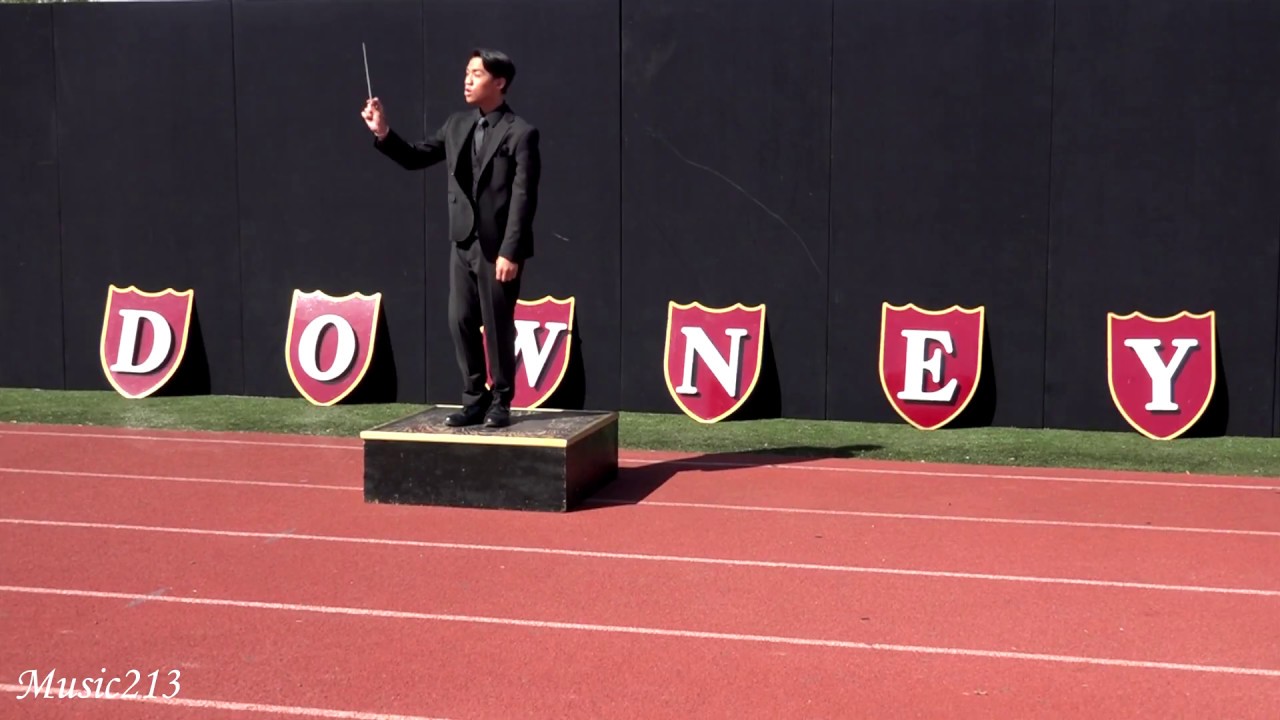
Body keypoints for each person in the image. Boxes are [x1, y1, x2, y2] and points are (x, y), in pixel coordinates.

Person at [361, 48, 540, 429]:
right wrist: (383, 133)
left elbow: (524, 198)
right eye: (466, 72)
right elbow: (414, 156)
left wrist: (511, 251)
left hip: (498, 251)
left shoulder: (520, 133)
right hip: (462, 243)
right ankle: (474, 398)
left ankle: (501, 401)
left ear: (500, 82)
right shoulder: (457, 124)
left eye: (476, 73)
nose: (467, 79)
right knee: (459, 319)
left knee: (497, 325)